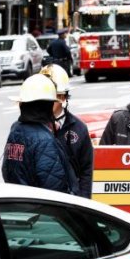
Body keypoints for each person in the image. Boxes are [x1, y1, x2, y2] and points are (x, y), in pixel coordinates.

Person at [3, 74, 78, 194]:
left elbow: (7, 171)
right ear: (46, 106)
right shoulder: (43, 140)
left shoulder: (16, 130)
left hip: (18, 204)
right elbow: (55, 189)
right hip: (40, 209)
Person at [43, 64, 94, 199]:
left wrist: (83, 203)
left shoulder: (79, 129)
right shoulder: (30, 128)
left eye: (50, 97)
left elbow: (86, 171)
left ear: (62, 97)